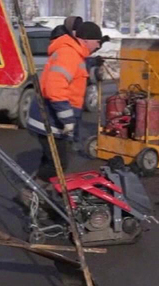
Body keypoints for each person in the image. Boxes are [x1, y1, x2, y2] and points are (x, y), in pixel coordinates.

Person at [26, 21, 105, 180]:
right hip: (49, 120)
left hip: (52, 119)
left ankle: (39, 195)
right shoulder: (69, 54)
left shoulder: (74, 54)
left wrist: (93, 64)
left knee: (51, 160)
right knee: (58, 164)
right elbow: (56, 87)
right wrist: (67, 119)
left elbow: (76, 72)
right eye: (97, 42)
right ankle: (32, 192)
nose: (98, 46)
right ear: (87, 40)